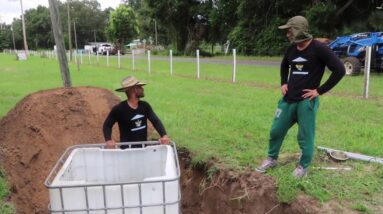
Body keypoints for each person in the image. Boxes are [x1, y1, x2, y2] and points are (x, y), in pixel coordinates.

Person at [255, 16, 345, 177]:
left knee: (305, 135)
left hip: (306, 102)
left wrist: (319, 91)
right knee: (276, 130)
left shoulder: (319, 48)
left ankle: (303, 167)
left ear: (298, 30)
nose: (287, 34)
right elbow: (284, 65)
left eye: (290, 30)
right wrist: (283, 82)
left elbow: (340, 70)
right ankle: (271, 158)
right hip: (288, 100)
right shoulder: (291, 49)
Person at [103, 76, 170, 149]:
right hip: (126, 152)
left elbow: (155, 121)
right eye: (140, 87)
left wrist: (164, 135)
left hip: (143, 149)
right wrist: (108, 140)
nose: (142, 89)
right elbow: (107, 125)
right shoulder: (119, 109)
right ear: (135, 89)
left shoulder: (145, 106)